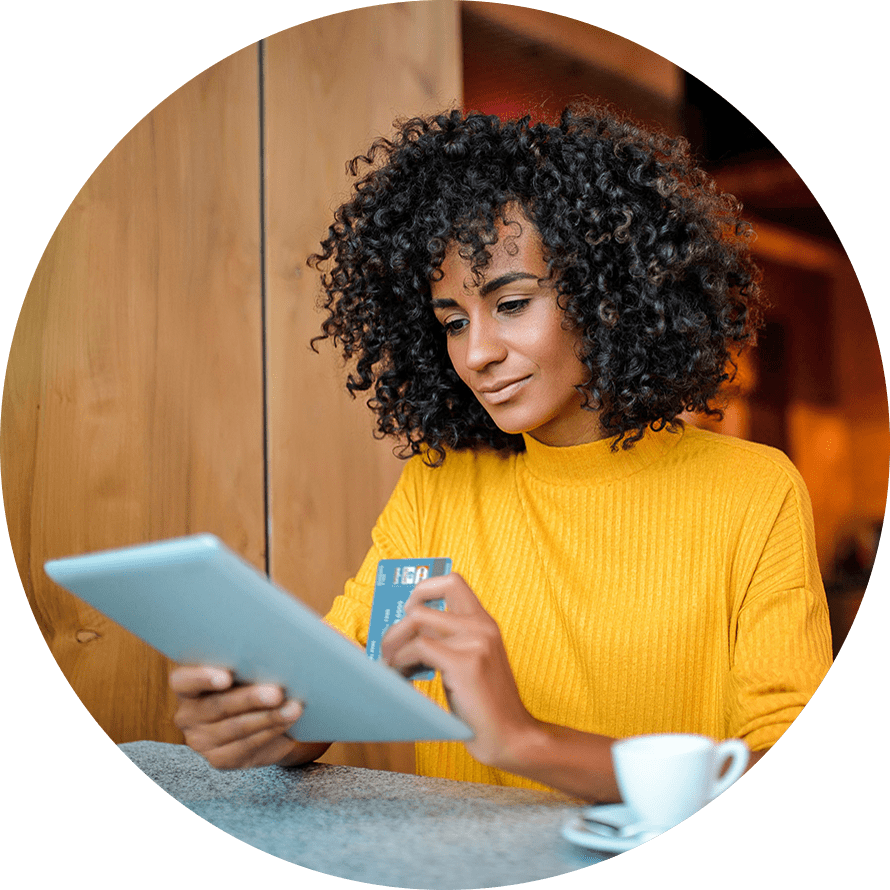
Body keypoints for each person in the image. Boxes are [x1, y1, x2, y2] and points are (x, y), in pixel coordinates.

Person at [170, 106, 833, 804]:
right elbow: (339, 688)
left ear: (607, 293)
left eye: (511, 304)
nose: (477, 352)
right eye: (453, 322)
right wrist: (255, 720)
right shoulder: (441, 484)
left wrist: (527, 741)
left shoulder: (754, 492)